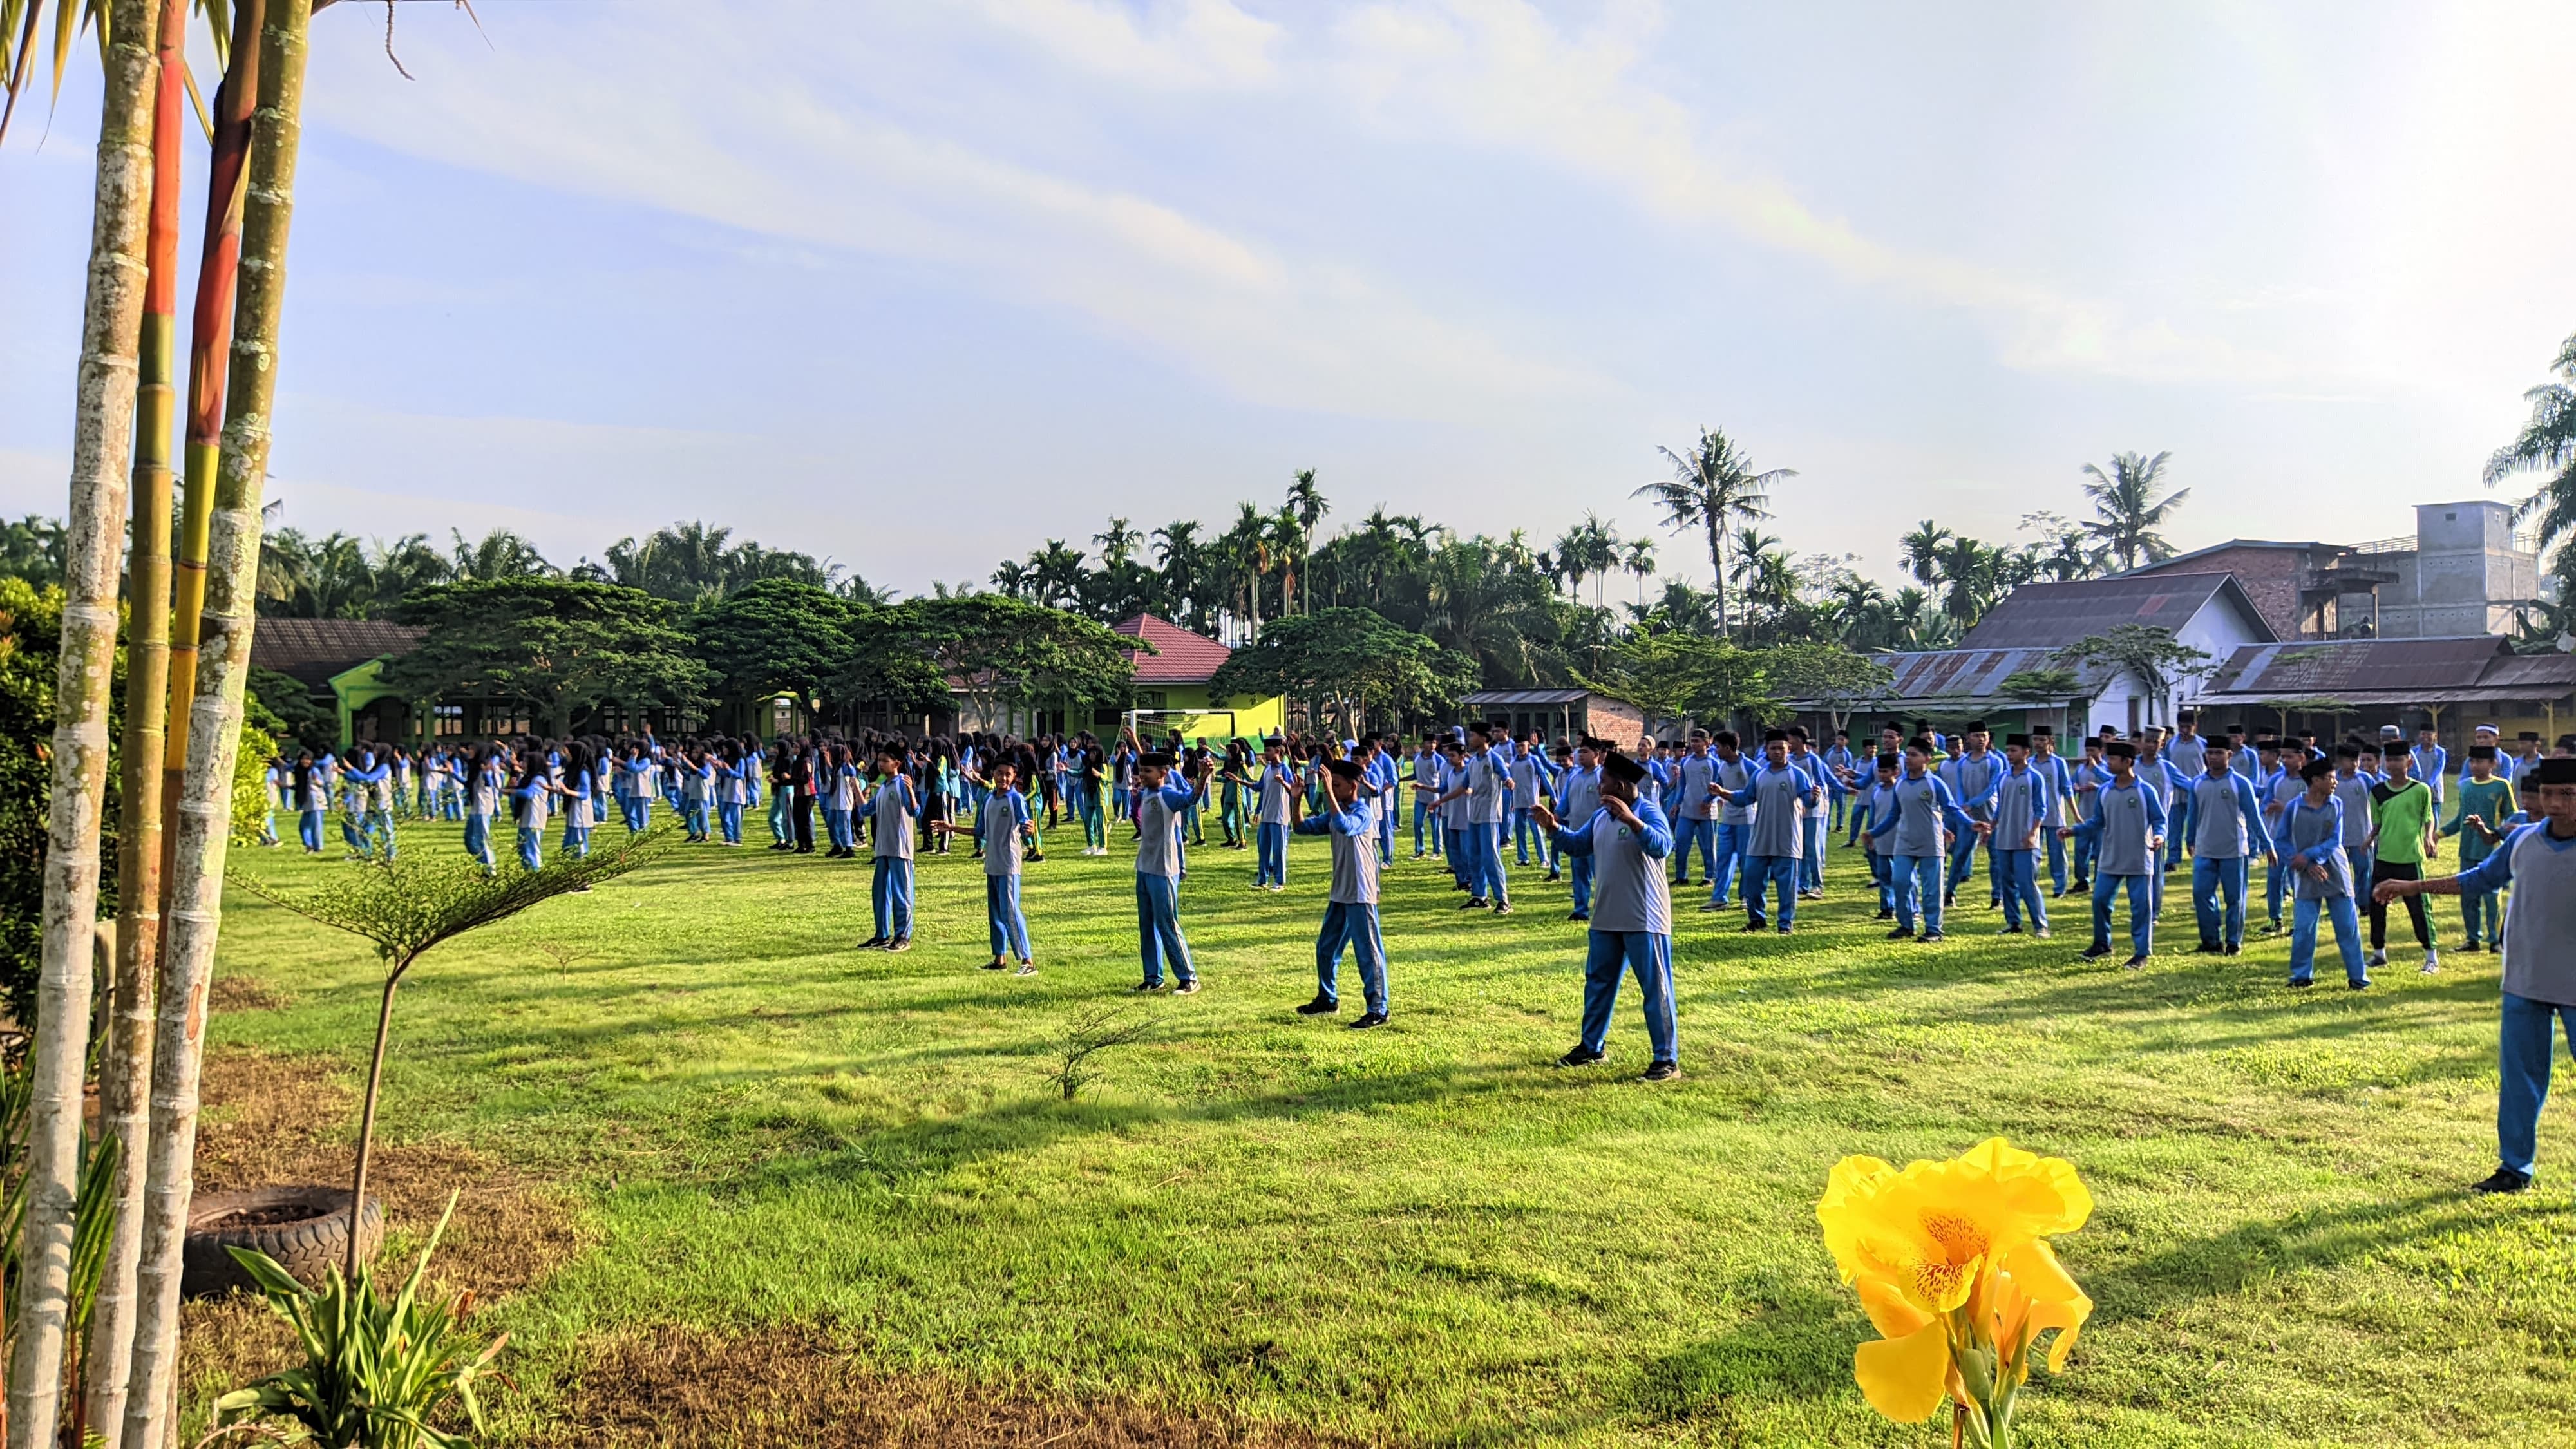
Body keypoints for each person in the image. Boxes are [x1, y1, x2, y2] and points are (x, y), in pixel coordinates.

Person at [2373, 757, 2576, 1193]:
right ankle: (2514, 1168)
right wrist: (2413, 887)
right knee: (2521, 1080)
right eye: (2548, 794)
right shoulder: (2522, 841)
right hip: (2526, 982)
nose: (2556, 804)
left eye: (2568, 795)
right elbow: (2480, 879)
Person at [1531, 752, 1678, 1082]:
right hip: (1607, 916)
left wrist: (1632, 821)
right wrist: (1553, 827)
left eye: (1605, 782)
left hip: (1645, 918)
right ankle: (1592, 1047)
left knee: (1655, 989)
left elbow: (1663, 846)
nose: (1599, 787)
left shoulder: (1649, 811)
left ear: (1623, 786)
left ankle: (1666, 1059)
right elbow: (1579, 845)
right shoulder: (1601, 816)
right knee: (1598, 983)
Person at [1291, 758, 1390, 1028]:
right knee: (1326, 947)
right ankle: (1327, 999)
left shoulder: (1363, 812)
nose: (1331, 789)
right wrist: (1296, 800)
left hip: (1360, 893)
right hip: (1340, 893)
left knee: (1367, 952)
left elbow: (1346, 826)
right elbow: (1301, 828)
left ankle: (1379, 1009)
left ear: (1353, 787)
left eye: (1337, 785)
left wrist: (1329, 795)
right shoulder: (1336, 812)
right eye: (1330, 784)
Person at [2063, 739, 2165, 969]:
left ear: (2127, 762)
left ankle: (2141, 953)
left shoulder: (2144, 790)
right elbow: (2098, 821)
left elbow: (2160, 820)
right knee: (2100, 900)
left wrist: (2159, 837)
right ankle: (2102, 944)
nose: (2108, 763)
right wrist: (2074, 830)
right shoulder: (2106, 790)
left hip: (2139, 857)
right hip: (2110, 858)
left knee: (2141, 906)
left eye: (2113, 759)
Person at [935, 757, 1036, 974]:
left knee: (1011, 911)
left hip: (1010, 863)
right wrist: (951, 827)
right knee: (995, 913)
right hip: (992, 863)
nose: (1004, 778)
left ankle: (1028, 962)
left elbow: (1026, 826)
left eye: (1008, 774)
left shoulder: (1016, 799)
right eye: (1000, 773)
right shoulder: (989, 800)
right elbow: (980, 830)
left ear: (1014, 777)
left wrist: (1031, 829)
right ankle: (1000, 959)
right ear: (994, 774)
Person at [1869, 739, 1977, 943]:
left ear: (1926, 758)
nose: (1908, 758)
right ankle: (1906, 924)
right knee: (1900, 882)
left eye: (1914, 755)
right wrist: (1874, 832)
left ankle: (1934, 930)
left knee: (1931, 889)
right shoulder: (1900, 783)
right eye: (1907, 754)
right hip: (1904, 842)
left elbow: (1952, 808)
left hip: (1931, 842)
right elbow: (1894, 814)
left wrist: (1971, 824)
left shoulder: (1934, 783)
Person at [2277, 757, 2369, 989]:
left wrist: (2310, 856)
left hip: (2335, 872)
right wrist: (2304, 864)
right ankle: (2301, 976)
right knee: (2304, 928)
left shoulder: (2336, 804)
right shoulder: (2294, 808)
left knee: (2347, 927)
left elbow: (2334, 841)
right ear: (2315, 781)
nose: (2335, 782)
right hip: (2305, 874)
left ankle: (2358, 977)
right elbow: (2282, 841)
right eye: (2330, 778)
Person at [1716, 730, 1817, 934]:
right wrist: (1723, 793)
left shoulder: (1797, 774)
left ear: (1788, 749)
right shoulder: (1760, 774)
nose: (1778, 752)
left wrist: (1814, 797)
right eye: (1773, 748)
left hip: (1788, 840)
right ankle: (1757, 920)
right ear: (1767, 750)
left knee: (1786, 888)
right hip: (1760, 839)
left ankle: (1785, 925)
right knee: (1753, 882)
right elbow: (1746, 797)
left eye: (1782, 748)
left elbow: (1808, 801)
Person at [2186, 739, 2269, 956]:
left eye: (2218, 753)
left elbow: (2254, 816)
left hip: (2234, 850)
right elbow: (2192, 814)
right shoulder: (2197, 783)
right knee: (2201, 894)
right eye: (2210, 753)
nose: (2213, 757)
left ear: (2229, 755)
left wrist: (2267, 844)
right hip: (2205, 849)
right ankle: (2211, 941)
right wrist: (2190, 839)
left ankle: (2234, 941)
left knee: (2235, 898)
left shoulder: (2240, 783)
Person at [2364, 744, 2441, 974]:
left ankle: (2431, 957)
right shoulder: (2378, 792)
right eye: (2390, 760)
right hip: (2384, 856)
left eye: (2399, 760)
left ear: (2409, 763)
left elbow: (2428, 817)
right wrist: (2369, 839)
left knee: (2419, 907)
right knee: (2377, 904)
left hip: (2411, 857)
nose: (2394, 765)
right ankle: (2379, 953)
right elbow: (2378, 822)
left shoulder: (2421, 790)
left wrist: (2429, 838)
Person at [1130, 751, 1200, 994]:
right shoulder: (1146, 793)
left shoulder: (1167, 795)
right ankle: (1153, 978)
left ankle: (1188, 978)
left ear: (1163, 773)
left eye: (1147, 771)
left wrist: (1205, 777)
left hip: (1164, 870)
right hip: (1144, 867)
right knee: (1146, 925)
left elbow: (1191, 799)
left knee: (1167, 924)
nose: (1142, 775)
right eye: (1141, 770)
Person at [2443, 744, 2519, 953]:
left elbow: (2511, 816)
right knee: (2468, 895)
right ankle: (2472, 939)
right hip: (2467, 849)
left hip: (2491, 850)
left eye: (2481, 762)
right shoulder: (2466, 786)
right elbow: (2460, 818)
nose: (2476, 766)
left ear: (2493, 764)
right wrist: (2438, 834)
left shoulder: (2501, 786)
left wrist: (2500, 833)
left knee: (2491, 897)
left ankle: (2495, 941)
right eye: (2473, 762)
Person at [1989, 734, 2054, 938]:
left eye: (2013, 750)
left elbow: (2040, 809)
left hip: (2025, 840)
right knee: (2006, 882)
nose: (2009, 754)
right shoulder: (2003, 777)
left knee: (2027, 883)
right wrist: (1991, 828)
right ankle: (2013, 922)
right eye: (2007, 750)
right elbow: (2000, 807)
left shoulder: (2034, 777)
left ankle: (2041, 925)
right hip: (2004, 838)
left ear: (2026, 752)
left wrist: (2033, 832)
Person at [857, 748, 921, 952]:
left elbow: (914, 811)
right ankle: (882, 935)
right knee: (880, 893)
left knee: (901, 893)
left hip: (900, 848)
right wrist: (858, 790)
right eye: (879, 760)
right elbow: (867, 810)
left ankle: (903, 936)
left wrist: (911, 792)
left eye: (885, 760)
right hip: (883, 848)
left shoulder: (902, 783)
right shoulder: (883, 787)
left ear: (897, 763)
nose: (881, 764)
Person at [1557, 739, 1604, 922]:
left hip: (1596, 834)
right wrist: (1556, 817)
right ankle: (1580, 910)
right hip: (1576, 833)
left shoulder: (1602, 777)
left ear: (1596, 754)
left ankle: (1603, 909)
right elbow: (1564, 803)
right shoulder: (1574, 777)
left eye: (1585, 752)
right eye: (1580, 752)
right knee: (1579, 874)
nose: (1581, 755)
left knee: (1600, 873)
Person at [1251, 738, 1300, 891]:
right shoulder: (1267, 769)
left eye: (1268, 751)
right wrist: (1239, 780)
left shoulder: (1284, 769)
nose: (1265, 754)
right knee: (1263, 849)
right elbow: (1260, 788)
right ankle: (1262, 880)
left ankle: (1279, 881)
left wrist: (1283, 782)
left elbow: (1293, 790)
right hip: (1266, 816)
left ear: (1278, 751)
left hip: (1280, 816)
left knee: (1279, 850)